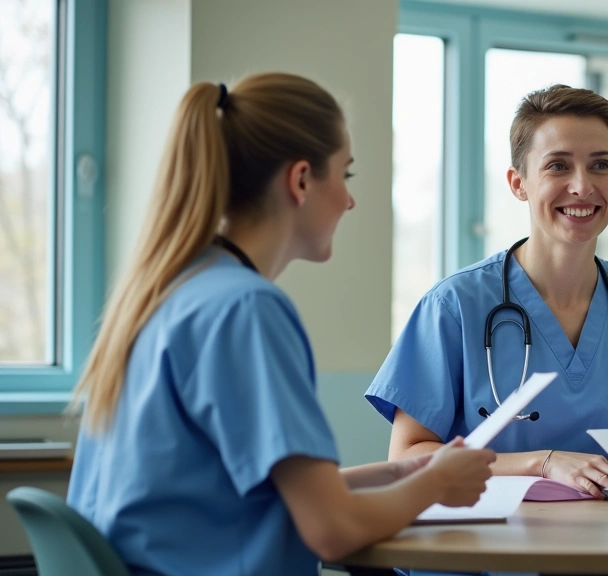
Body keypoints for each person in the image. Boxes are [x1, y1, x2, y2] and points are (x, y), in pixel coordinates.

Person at [66, 73, 495, 576]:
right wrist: (437, 484)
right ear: (301, 181)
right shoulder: (246, 309)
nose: (350, 200)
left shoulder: (170, 290)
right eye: (346, 174)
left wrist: (402, 472)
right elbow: (333, 530)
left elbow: (260, 496)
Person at [366, 84, 608, 499]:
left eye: (600, 165)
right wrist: (542, 462)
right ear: (519, 183)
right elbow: (407, 456)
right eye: (558, 166)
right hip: (489, 535)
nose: (582, 186)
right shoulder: (455, 305)